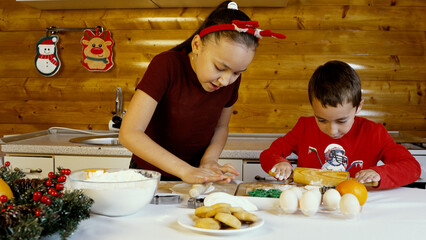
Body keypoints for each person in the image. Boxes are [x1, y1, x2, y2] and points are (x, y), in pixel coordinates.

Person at [119, 1, 285, 184]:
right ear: (197, 45)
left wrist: (209, 161)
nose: (225, 81)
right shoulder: (166, 65)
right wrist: (184, 170)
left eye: (237, 73)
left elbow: (221, 127)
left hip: (195, 174)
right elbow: (129, 133)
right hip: (147, 175)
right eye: (220, 67)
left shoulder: (229, 81)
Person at [260, 60, 421, 189]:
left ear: (358, 107)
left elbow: (412, 167)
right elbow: (269, 154)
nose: (332, 130)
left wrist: (378, 173)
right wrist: (278, 163)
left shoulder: (374, 133)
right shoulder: (304, 127)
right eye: (321, 120)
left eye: (342, 121)